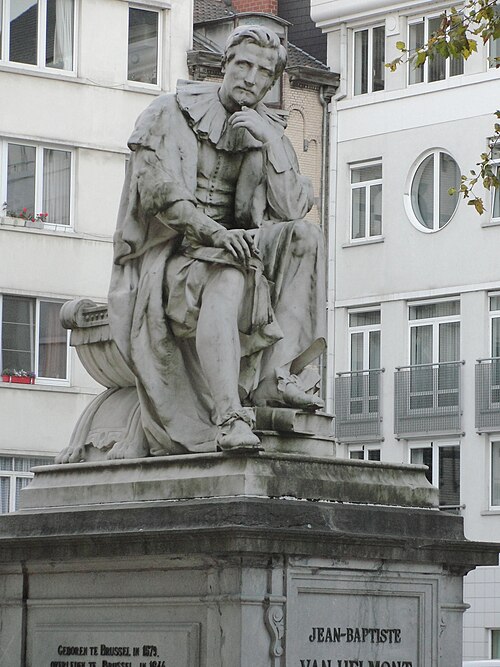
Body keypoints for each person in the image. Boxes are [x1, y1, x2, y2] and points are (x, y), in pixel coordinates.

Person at [108, 25, 326, 455]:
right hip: (176, 255)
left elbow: (292, 207)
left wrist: (271, 143)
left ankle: (274, 378)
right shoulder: (168, 112)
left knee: (306, 236)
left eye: (263, 72)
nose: (250, 77)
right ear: (224, 66)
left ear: (270, 82)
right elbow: (160, 196)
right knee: (229, 278)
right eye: (242, 64)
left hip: (240, 247)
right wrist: (218, 236)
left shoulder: (265, 128)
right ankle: (228, 415)